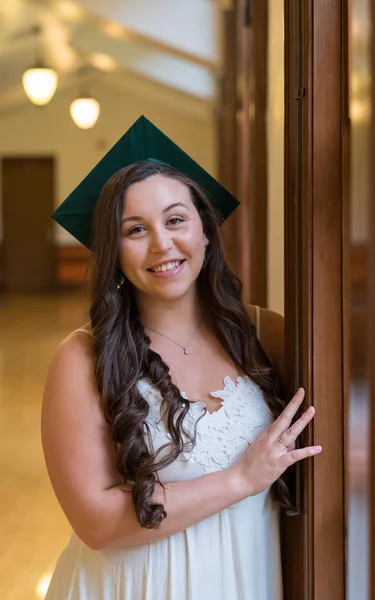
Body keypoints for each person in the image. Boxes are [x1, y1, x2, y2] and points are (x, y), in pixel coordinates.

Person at [41, 116, 322, 599]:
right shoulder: (82, 359)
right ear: (114, 254)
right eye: (135, 230)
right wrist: (240, 479)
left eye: (175, 220)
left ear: (206, 233)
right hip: (139, 583)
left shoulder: (264, 332)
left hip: (245, 572)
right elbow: (96, 522)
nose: (162, 244)